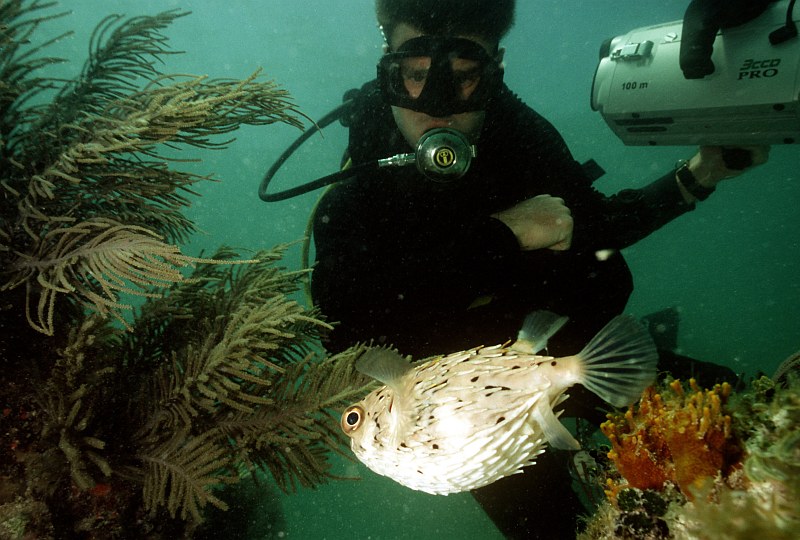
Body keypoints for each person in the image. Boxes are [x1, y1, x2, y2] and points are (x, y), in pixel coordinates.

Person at [310, 1, 768, 538]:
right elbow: (339, 306)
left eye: (463, 78)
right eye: (413, 76)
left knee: (740, 428)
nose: (435, 105)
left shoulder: (519, 135)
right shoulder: (364, 168)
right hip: (461, 418)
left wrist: (697, 176)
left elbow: (593, 225)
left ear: (494, 70)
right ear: (387, 67)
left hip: (561, 354)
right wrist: (501, 236)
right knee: (551, 530)